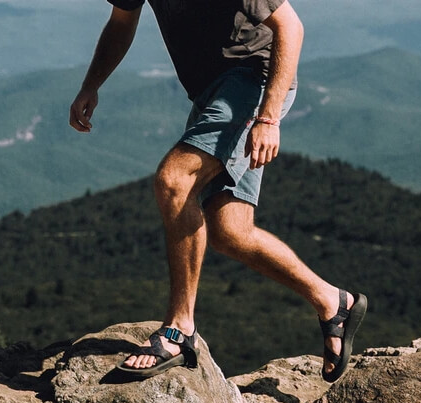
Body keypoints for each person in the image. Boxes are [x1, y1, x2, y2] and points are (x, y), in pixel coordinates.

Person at [69, 0, 366, 383]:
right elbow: (121, 23)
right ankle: (333, 301)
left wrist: (268, 118)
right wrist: (91, 84)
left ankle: (180, 329)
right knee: (231, 232)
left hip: (253, 80)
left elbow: (291, 27)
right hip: (213, 92)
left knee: (175, 182)